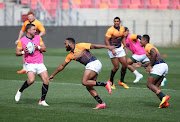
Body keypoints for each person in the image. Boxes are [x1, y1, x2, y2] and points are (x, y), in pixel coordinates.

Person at [49, 38, 114, 109]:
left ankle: (105, 84)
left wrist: (107, 47)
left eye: (65, 44)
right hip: (93, 65)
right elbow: (62, 65)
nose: (64, 46)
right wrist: (53, 75)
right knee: (88, 86)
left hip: (93, 63)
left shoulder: (80, 46)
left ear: (70, 43)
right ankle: (101, 103)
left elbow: (94, 46)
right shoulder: (70, 55)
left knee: (84, 82)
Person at [15, 24, 49, 106]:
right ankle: (20, 90)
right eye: (33, 29)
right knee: (31, 80)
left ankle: (42, 100)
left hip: (40, 62)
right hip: (30, 63)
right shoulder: (22, 40)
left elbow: (44, 49)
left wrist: (38, 47)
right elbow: (17, 53)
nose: (35, 31)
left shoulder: (38, 37)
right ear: (28, 30)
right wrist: (24, 52)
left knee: (46, 80)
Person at [137, 34, 170, 108]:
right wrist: (142, 65)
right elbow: (153, 59)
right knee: (155, 86)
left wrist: (149, 66)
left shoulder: (148, 46)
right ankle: (164, 102)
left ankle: (164, 96)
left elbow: (154, 54)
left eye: (141, 40)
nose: (140, 42)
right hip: (164, 66)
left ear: (145, 40)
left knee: (149, 84)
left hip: (159, 66)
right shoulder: (148, 47)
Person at [104, 17, 129, 89]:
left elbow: (123, 38)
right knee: (116, 67)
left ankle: (121, 81)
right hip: (112, 49)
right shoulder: (110, 30)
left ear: (120, 22)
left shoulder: (122, 29)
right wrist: (111, 49)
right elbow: (106, 41)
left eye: (117, 21)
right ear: (113, 22)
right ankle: (111, 81)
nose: (116, 22)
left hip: (120, 48)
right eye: (115, 21)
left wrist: (125, 47)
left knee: (125, 65)